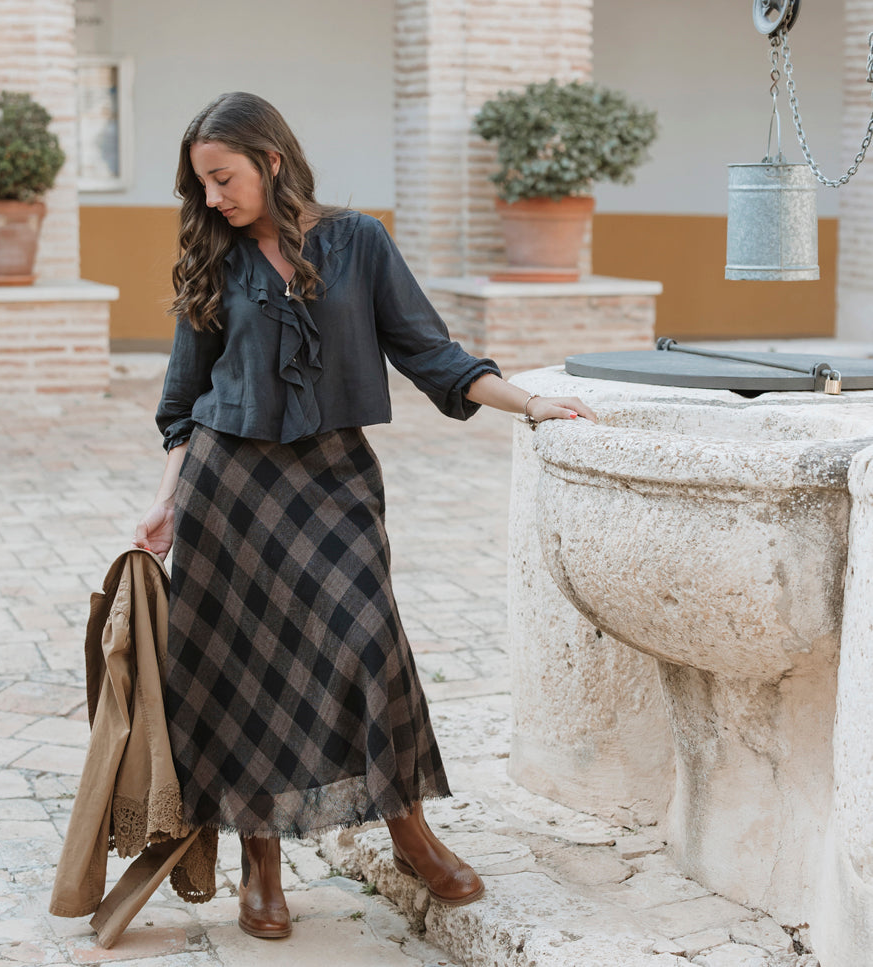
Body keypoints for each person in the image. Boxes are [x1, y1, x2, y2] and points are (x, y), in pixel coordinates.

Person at [134, 91, 596, 940]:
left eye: (223, 177)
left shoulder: (358, 242)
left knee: (367, 646)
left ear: (271, 160)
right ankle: (261, 862)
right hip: (228, 491)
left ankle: (409, 832)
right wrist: (164, 503)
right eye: (200, 184)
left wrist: (529, 403)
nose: (211, 197)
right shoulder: (213, 258)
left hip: (333, 479)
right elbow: (183, 401)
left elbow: (429, 351)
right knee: (246, 669)